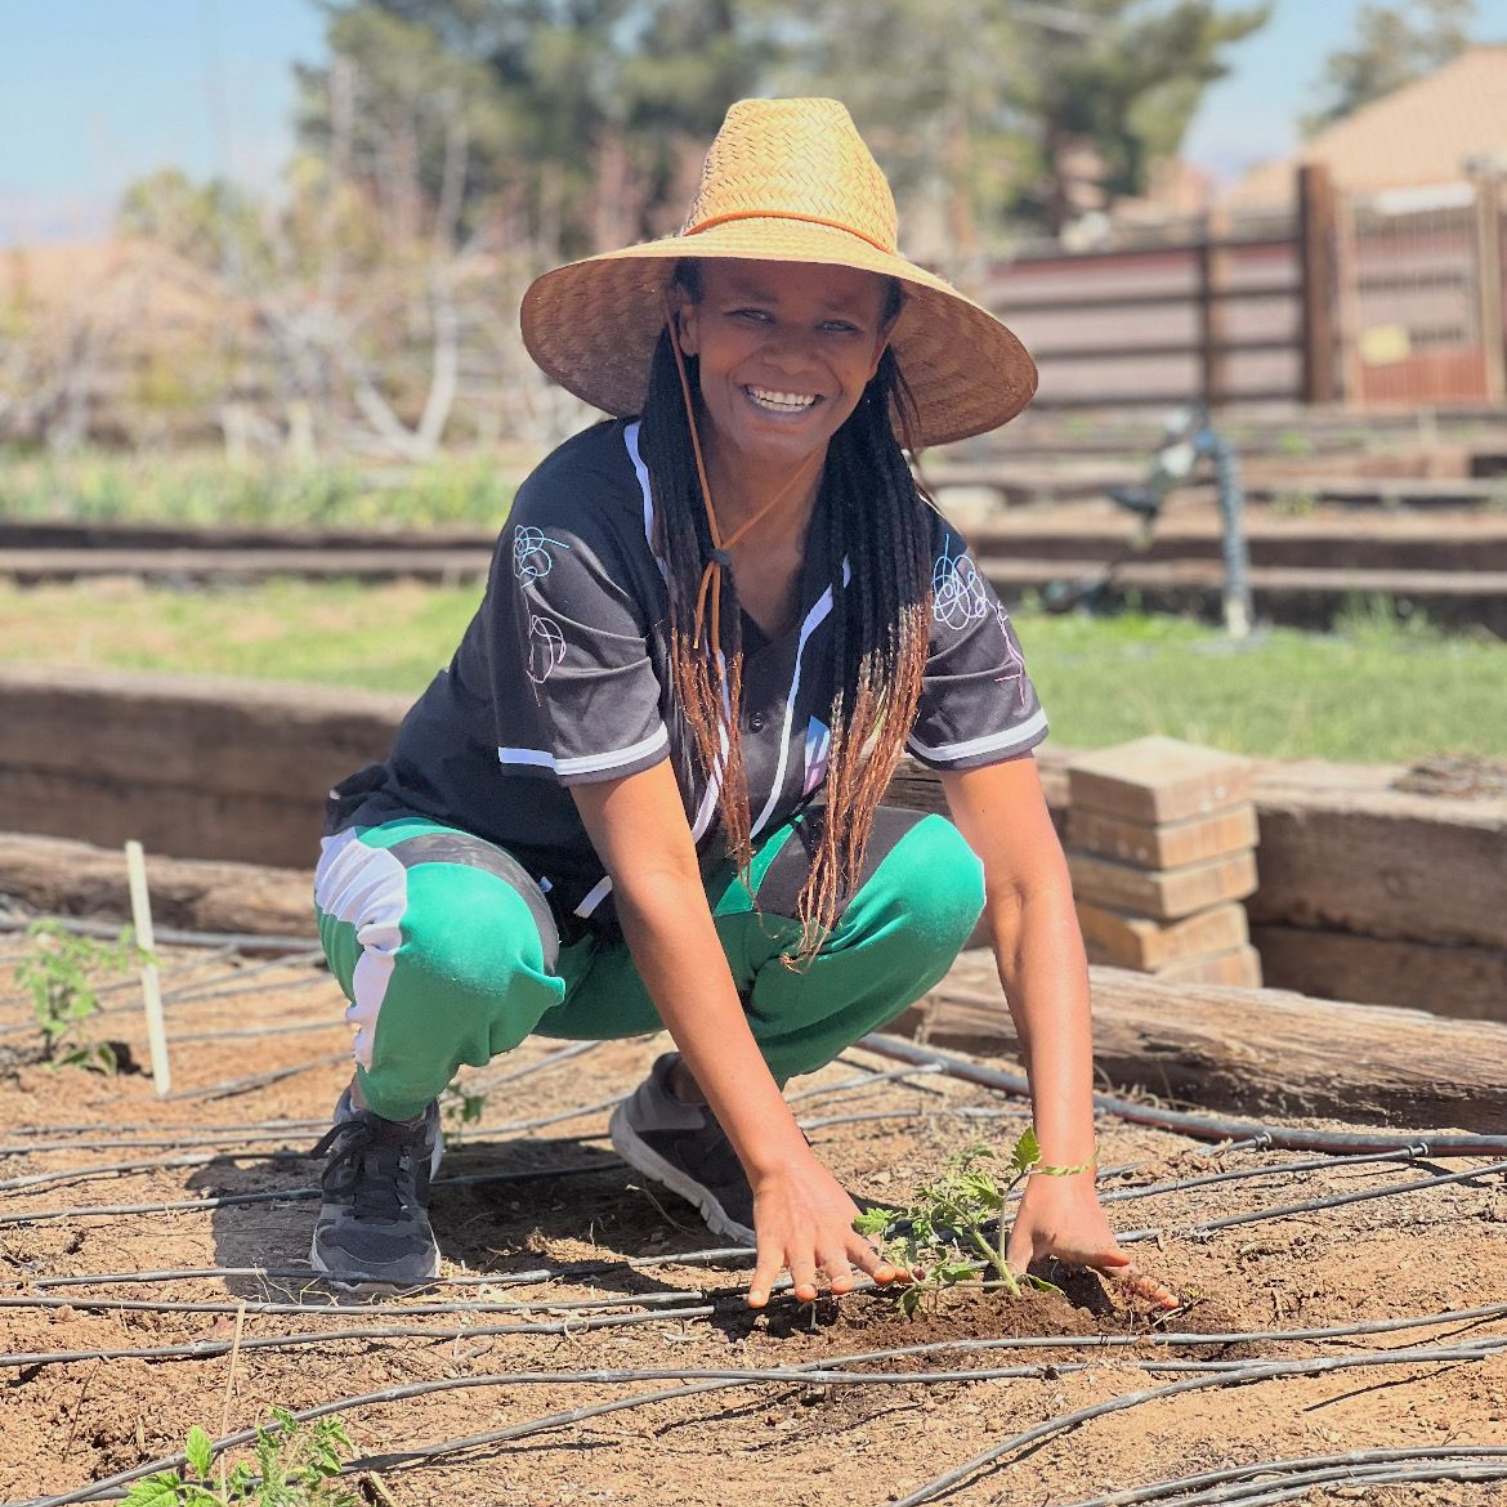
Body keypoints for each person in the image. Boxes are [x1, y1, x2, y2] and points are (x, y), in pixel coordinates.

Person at [310, 96, 1176, 1312]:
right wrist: (791, 1163)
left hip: (650, 932)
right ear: (687, 326)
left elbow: (1031, 882)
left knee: (932, 880)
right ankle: (385, 1121)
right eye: (751, 312)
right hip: (462, 888)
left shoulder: (908, 559)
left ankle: (693, 1115)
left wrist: (1065, 1166)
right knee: (462, 944)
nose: (790, 353)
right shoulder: (584, 521)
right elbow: (655, 867)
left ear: (880, 349)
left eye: (834, 321)